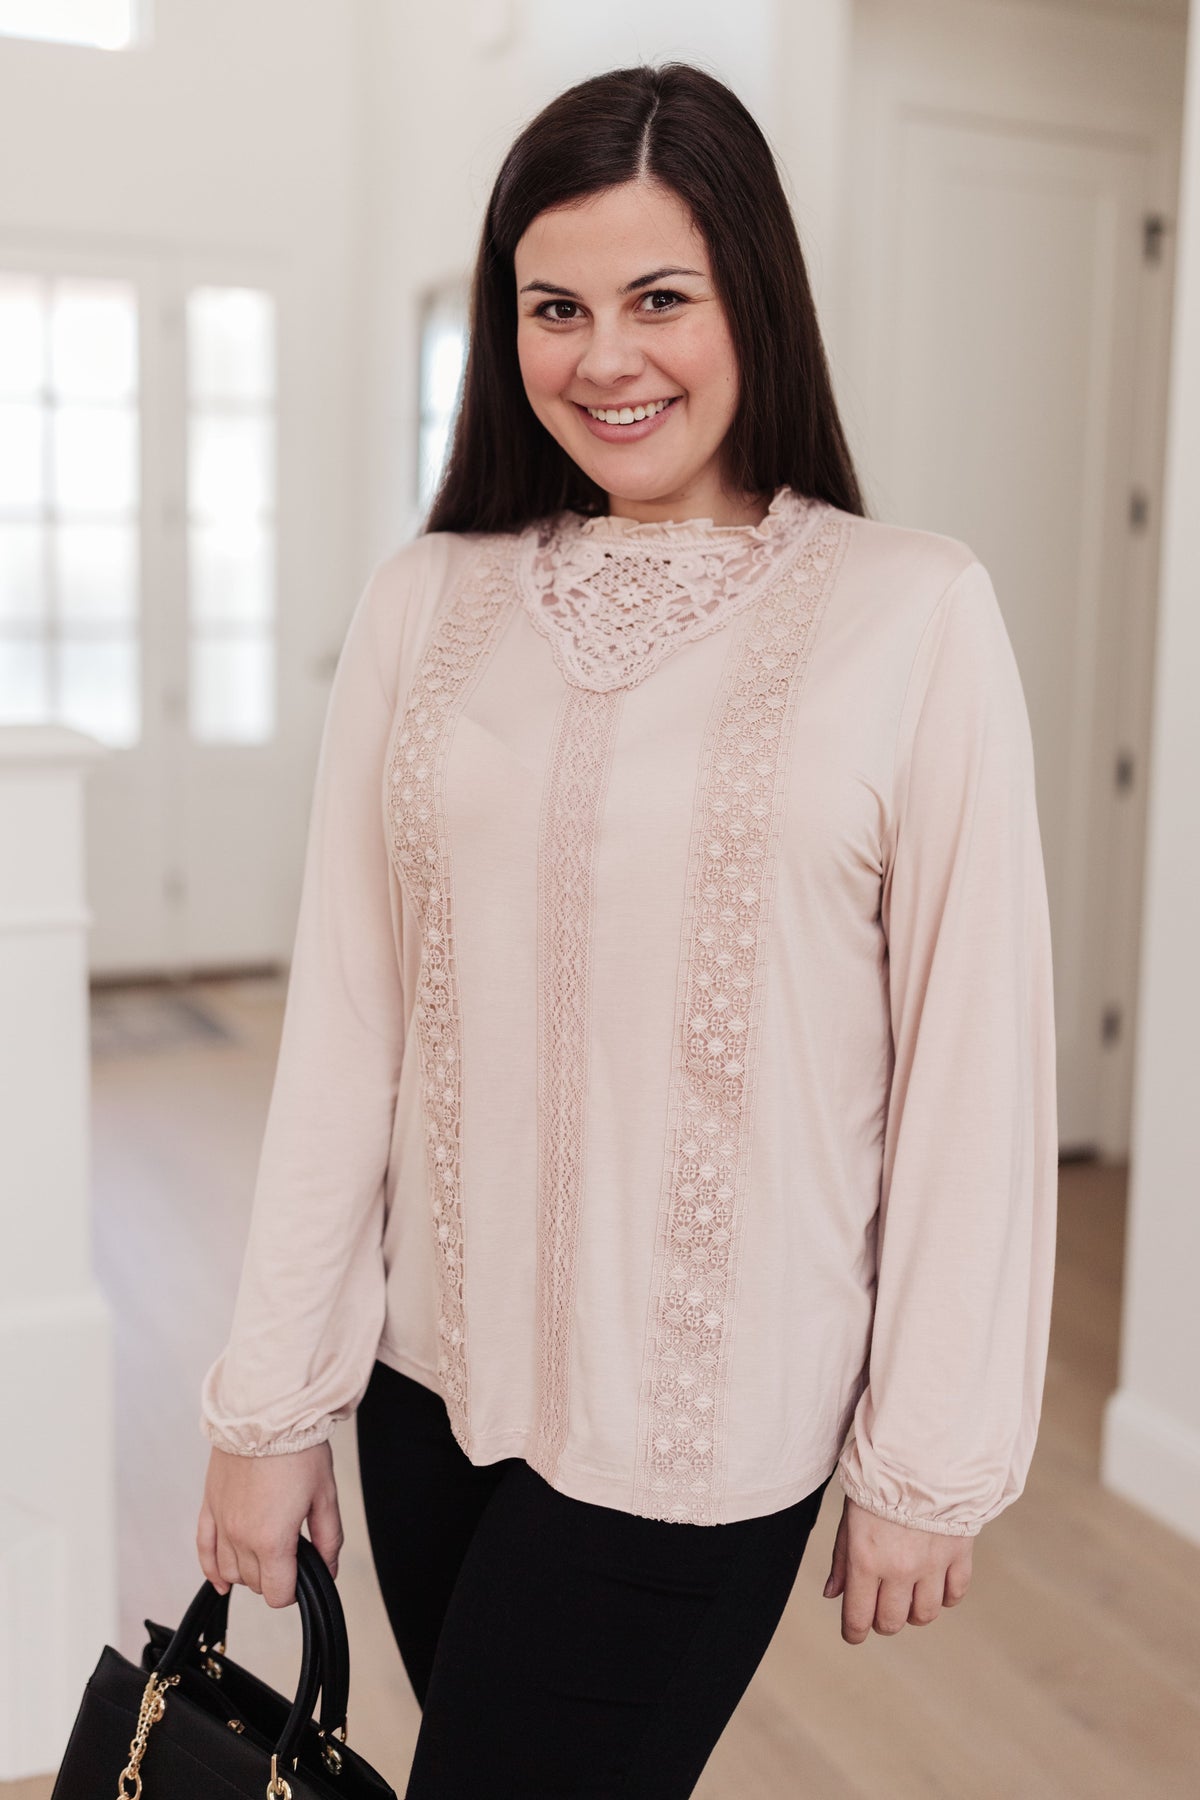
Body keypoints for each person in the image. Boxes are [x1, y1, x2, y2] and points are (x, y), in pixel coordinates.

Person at [196, 59, 1058, 1799]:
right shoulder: (427, 601)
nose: (606, 357)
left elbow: (976, 1057)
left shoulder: (914, 612)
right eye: (555, 308)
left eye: (661, 298)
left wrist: (929, 1450)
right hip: (429, 1402)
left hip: (708, 1432)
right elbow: (349, 1030)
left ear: (755, 298)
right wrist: (269, 1408)